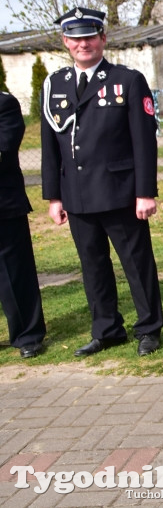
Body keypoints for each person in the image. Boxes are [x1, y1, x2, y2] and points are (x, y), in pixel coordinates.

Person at [41, 7, 163, 357]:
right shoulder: (55, 84)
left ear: (103, 39)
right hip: (76, 195)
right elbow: (50, 146)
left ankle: (149, 328)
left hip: (120, 193)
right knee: (92, 266)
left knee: (136, 264)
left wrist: (145, 192)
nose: (84, 44)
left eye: (90, 37)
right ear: (66, 42)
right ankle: (107, 329)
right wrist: (53, 197)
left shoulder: (127, 79)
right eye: (76, 39)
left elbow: (144, 141)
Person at [0, 91, 46, 358]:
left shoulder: (4, 104)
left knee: (15, 275)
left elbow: (4, 150)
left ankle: (27, 335)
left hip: (4, 206)